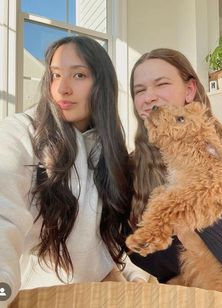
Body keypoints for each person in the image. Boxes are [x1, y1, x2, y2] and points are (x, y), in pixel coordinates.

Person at [0, 35, 150, 305]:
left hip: (96, 296)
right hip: (34, 299)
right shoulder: (19, 133)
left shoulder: (108, 151)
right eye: (55, 75)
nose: (62, 89)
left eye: (78, 75)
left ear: (101, 85)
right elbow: (4, 216)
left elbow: (101, 238)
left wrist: (133, 277)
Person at [127, 48, 222, 283]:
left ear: (189, 90)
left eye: (161, 84)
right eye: (140, 90)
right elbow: (138, 255)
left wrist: (191, 202)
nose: (149, 97)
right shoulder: (129, 169)